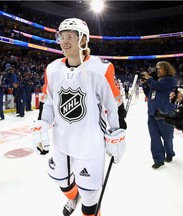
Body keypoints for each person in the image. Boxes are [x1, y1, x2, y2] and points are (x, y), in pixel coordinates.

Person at [31, 18, 126, 216]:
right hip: (61, 140)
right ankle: (74, 197)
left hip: (89, 143)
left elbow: (113, 104)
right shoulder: (52, 68)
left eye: (70, 37)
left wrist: (117, 132)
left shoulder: (100, 68)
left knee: (90, 197)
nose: (64, 41)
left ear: (83, 40)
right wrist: (41, 124)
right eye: (61, 37)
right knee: (60, 180)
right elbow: (48, 102)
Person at [141, 61, 177, 169]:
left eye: (159, 68)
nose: (157, 70)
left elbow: (159, 87)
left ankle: (169, 153)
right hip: (152, 114)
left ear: (166, 69)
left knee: (167, 138)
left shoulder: (171, 80)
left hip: (165, 114)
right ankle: (158, 159)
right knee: (154, 138)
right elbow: (148, 94)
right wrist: (144, 83)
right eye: (156, 68)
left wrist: (149, 79)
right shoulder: (155, 81)